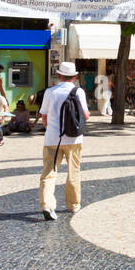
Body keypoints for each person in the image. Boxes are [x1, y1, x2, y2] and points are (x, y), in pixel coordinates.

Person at [38, 61, 90, 221]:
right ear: (74, 77)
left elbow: (44, 116)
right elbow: (86, 115)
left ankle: (47, 205)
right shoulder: (78, 91)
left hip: (52, 138)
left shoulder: (50, 92)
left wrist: (51, 129)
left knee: (48, 172)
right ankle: (73, 205)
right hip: (74, 139)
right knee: (73, 172)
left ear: (58, 75)